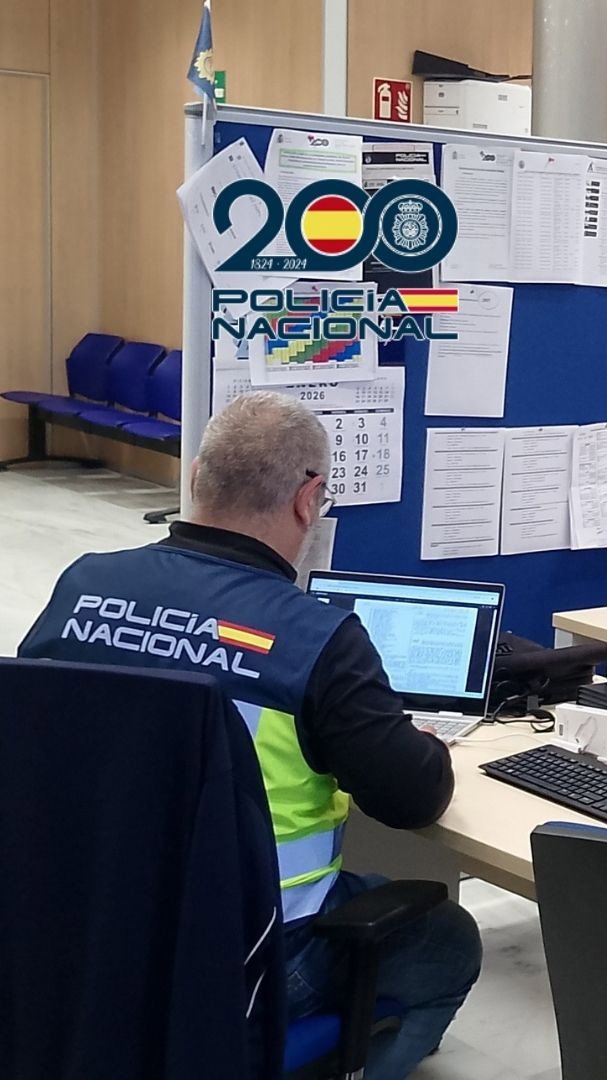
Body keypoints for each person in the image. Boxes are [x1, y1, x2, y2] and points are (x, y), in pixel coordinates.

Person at [18, 392, 481, 1077]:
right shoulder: (315, 638)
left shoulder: (84, 586)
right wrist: (425, 744)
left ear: (196, 476)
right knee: (448, 939)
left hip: (83, 933)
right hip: (254, 955)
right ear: (308, 499)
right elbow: (412, 799)